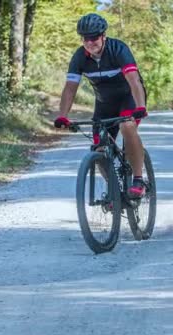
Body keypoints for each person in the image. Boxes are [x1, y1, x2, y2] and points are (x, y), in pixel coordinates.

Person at [54, 13, 148, 198]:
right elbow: (70, 89)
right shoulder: (79, 57)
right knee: (99, 149)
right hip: (104, 103)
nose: (90, 42)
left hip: (128, 97)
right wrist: (63, 115)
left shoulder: (118, 49)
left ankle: (138, 180)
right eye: (85, 38)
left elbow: (134, 81)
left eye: (94, 37)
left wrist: (140, 107)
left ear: (103, 35)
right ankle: (115, 192)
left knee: (127, 127)